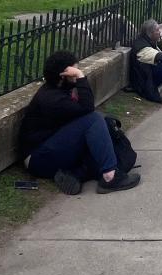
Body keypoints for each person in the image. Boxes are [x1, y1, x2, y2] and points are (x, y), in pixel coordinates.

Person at [18, 51, 141, 194]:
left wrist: (78, 80)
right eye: (75, 70)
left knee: (101, 126)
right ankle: (109, 177)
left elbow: (83, 112)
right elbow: (88, 109)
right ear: (64, 75)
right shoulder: (51, 99)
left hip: (54, 146)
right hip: (38, 159)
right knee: (94, 119)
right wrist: (81, 78)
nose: (78, 72)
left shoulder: (60, 89)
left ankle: (77, 174)